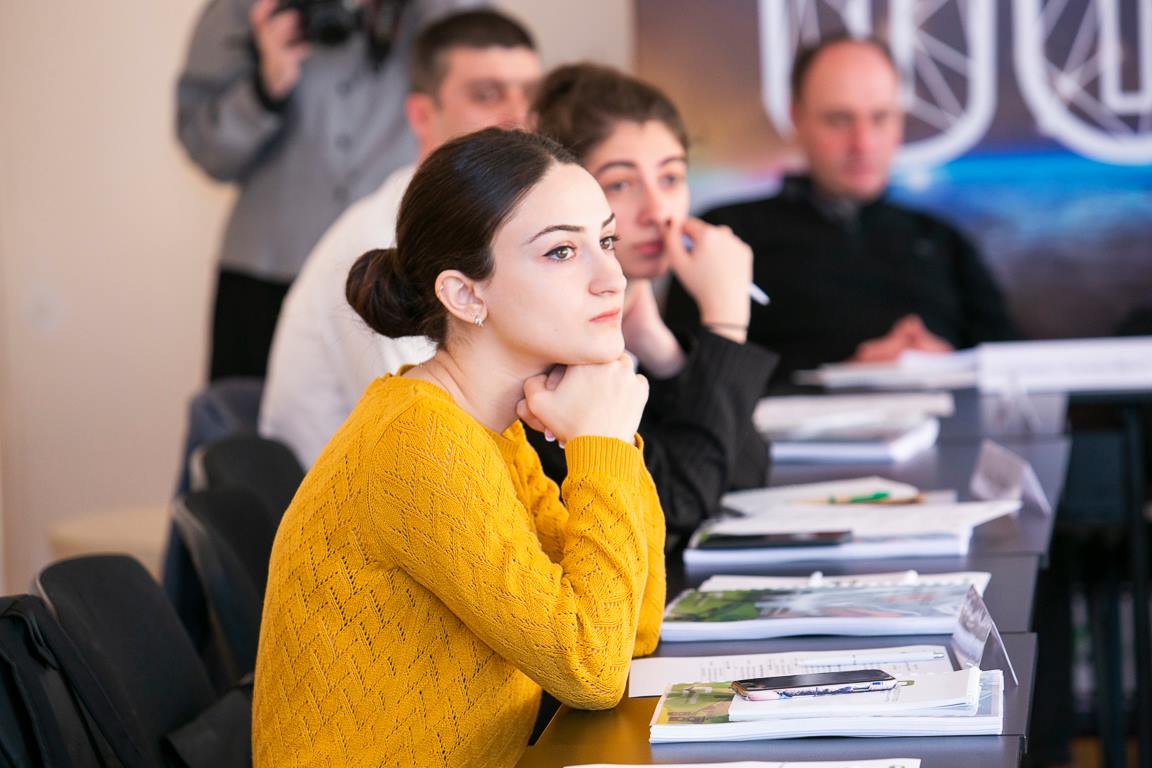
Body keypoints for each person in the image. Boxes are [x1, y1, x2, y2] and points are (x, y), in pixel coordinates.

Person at [251, 128, 665, 766]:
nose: (612, 277)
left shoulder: (488, 429)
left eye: (605, 241)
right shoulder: (418, 443)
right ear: (466, 295)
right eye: (561, 251)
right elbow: (593, 668)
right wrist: (602, 443)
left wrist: (610, 442)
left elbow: (634, 624)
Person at [260, 9, 539, 466]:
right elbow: (426, 430)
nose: (518, 116)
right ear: (422, 115)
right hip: (369, 492)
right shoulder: (384, 239)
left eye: (530, 94)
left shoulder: (487, 225)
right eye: (486, 94)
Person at [664, 35, 1017, 387]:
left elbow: (1015, 368)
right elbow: (684, 382)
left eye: (880, 118)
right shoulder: (727, 234)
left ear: (899, 123)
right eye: (839, 119)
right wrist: (842, 376)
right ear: (796, 118)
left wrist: (947, 364)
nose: (862, 143)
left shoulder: (943, 241)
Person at [532, 64, 778, 537]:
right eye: (621, 184)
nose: (658, 211)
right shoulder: (550, 350)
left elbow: (744, 477)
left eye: (670, 178)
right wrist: (725, 323)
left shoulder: (634, 325)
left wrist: (664, 354)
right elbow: (675, 509)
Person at [177, 0, 470, 380]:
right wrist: (264, 89)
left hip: (395, 273)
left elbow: (487, 66)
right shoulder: (244, 8)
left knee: (403, 409)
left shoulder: (448, 10)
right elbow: (205, 148)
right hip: (266, 276)